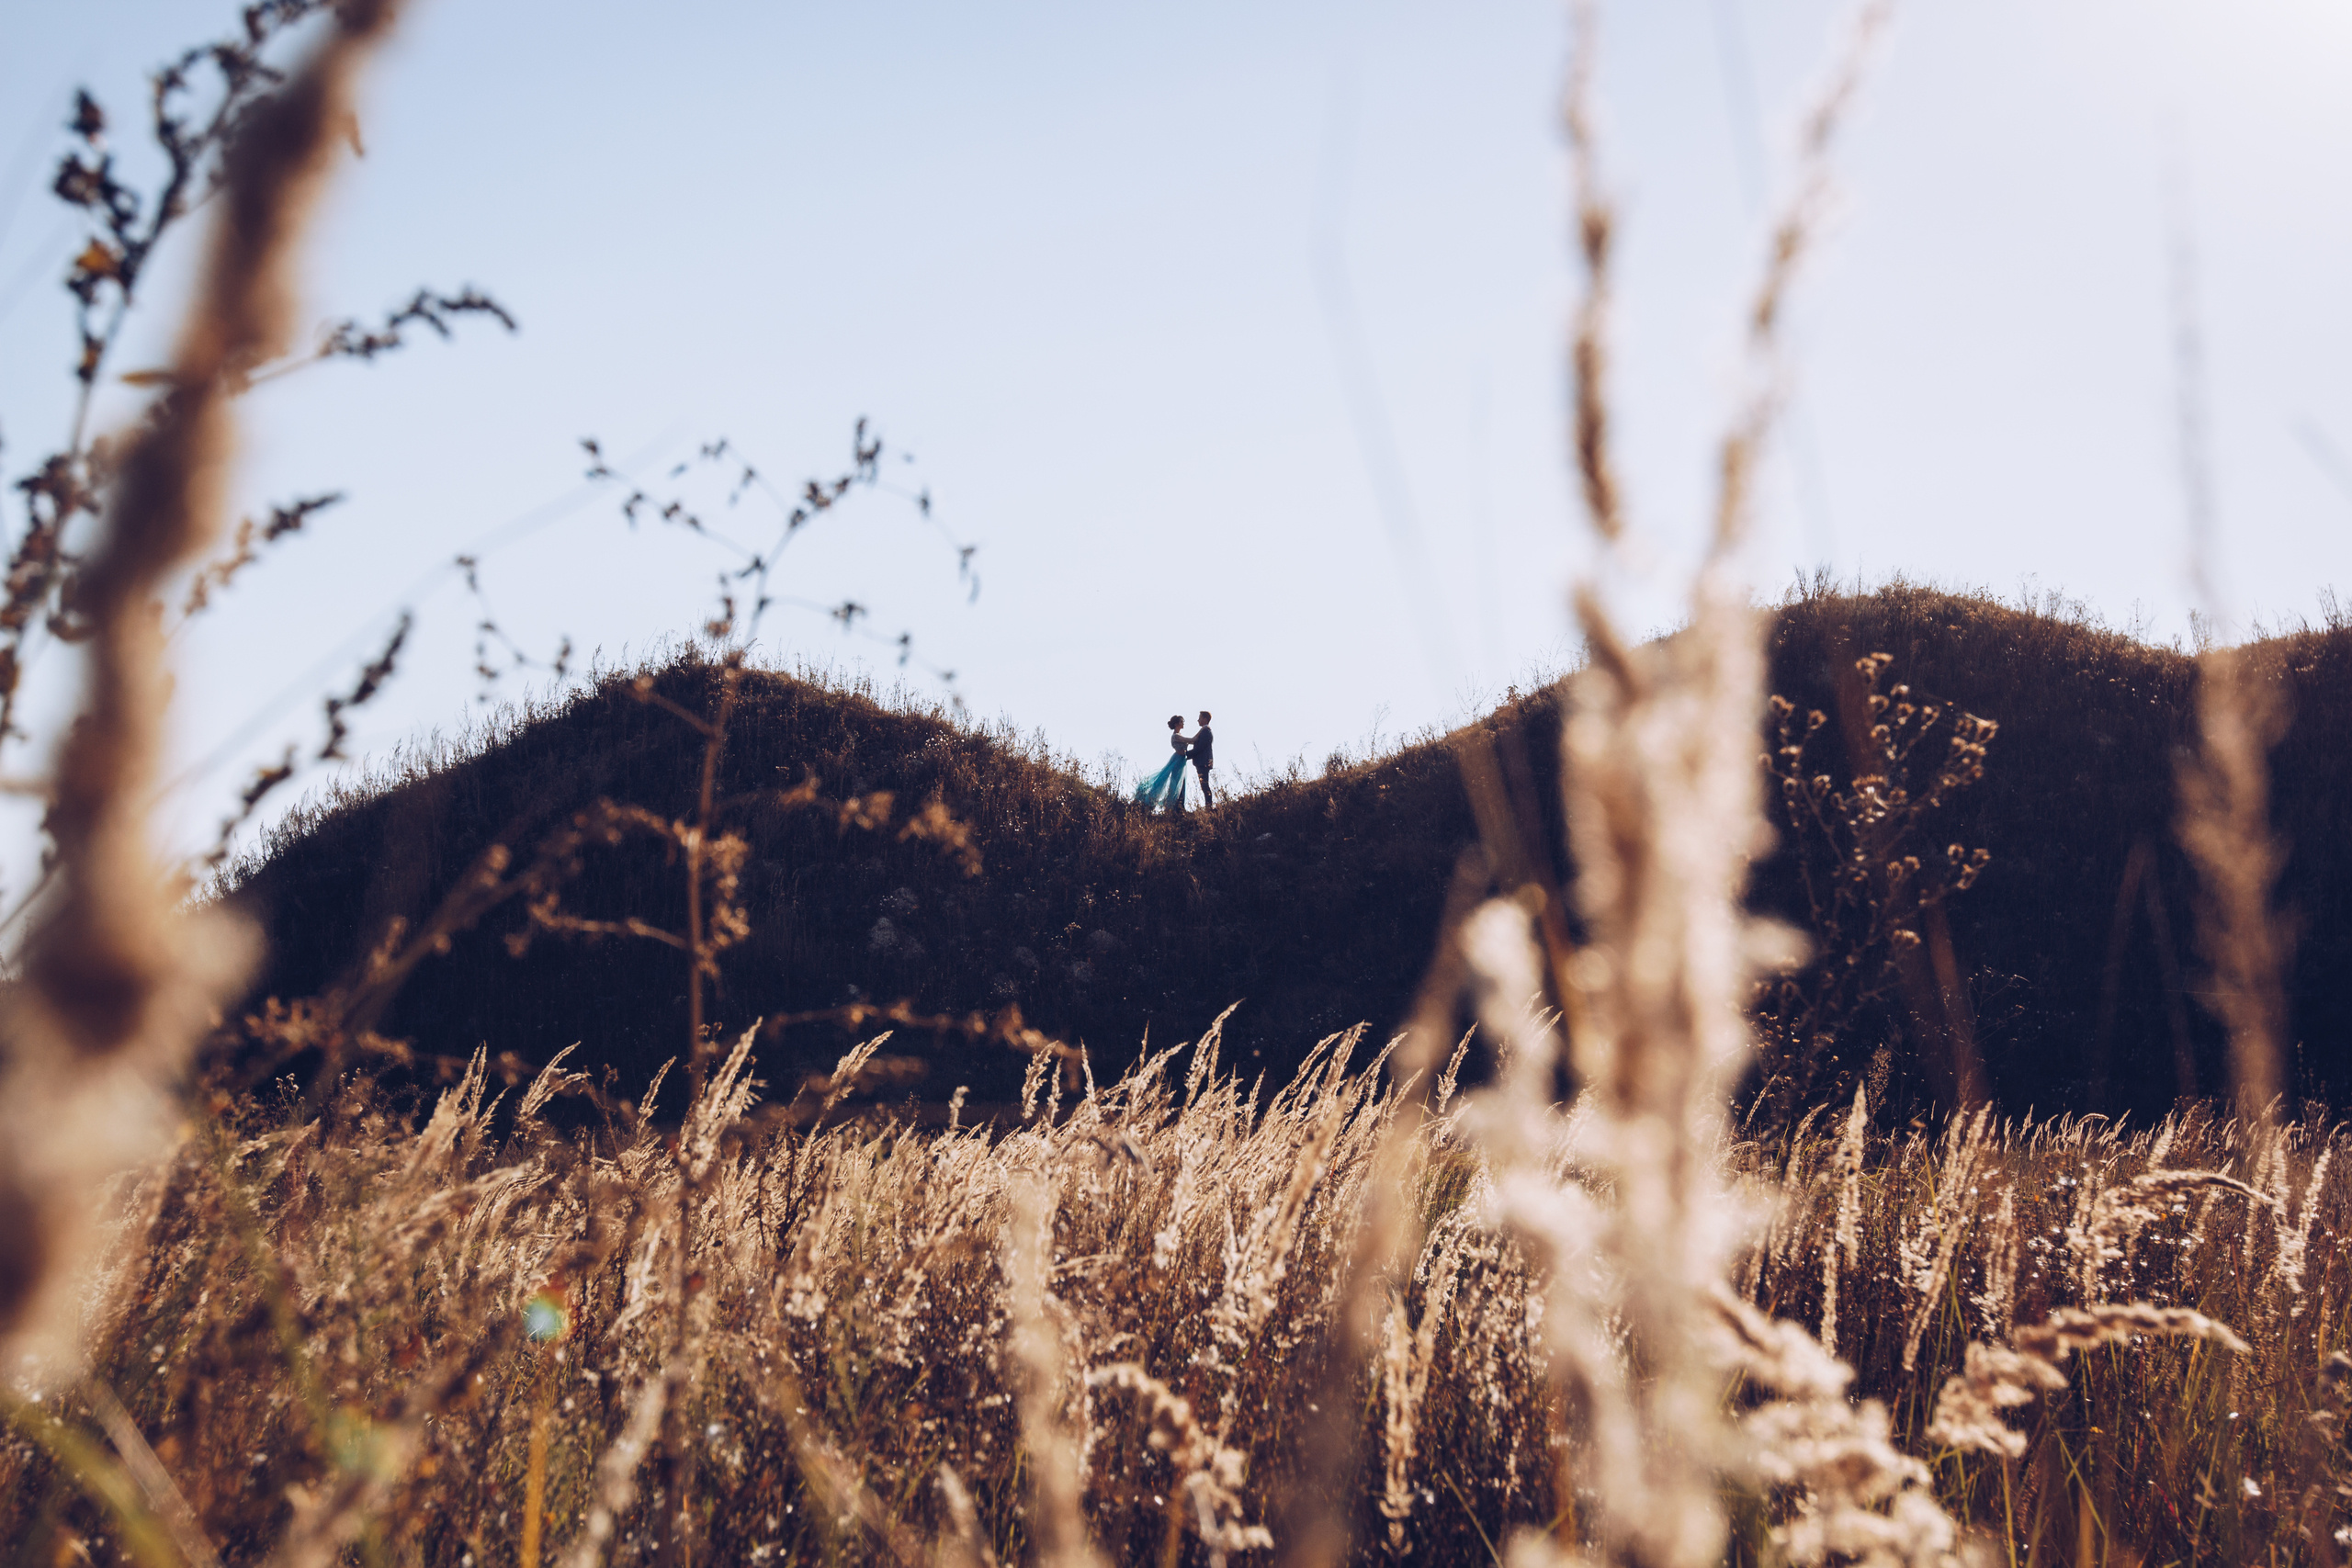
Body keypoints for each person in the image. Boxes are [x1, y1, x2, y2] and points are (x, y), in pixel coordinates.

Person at [1134, 715, 1190, 813]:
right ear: (1176, 724)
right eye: (1181, 721)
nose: (1183, 723)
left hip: (1181, 760)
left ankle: (1176, 806)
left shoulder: (1178, 735)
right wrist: (1203, 730)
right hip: (1178, 760)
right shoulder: (1176, 736)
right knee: (1174, 781)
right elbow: (1191, 741)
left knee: (1179, 782)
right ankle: (1169, 806)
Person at [1190, 709, 1216, 807]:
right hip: (1202, 762)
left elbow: (1200, 748)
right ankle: (1208, 806)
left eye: (1199, 718)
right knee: (1204, 785)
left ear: (1205, 719)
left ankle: (1209, 806)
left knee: (1204, 785)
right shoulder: (1204, 731)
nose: (1198, 720)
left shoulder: (1205, 732)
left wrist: (1187, 755)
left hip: (1203, 762)